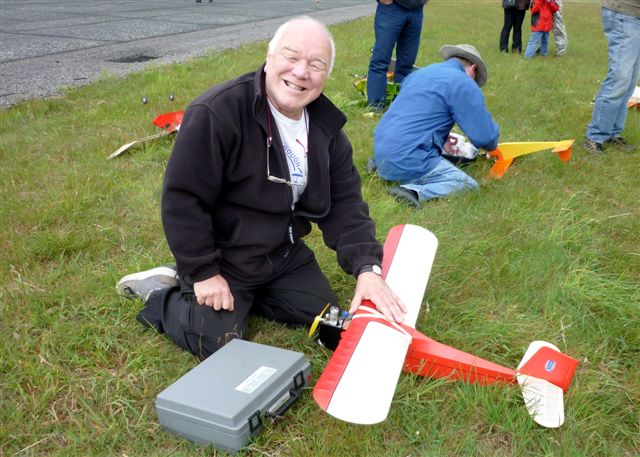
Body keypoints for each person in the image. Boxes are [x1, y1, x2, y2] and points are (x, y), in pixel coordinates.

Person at [116, 17, 406, 360]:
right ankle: (161, 290)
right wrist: (203, 271)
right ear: (269, 57)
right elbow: (183, 199)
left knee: (329, 320)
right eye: (291, 56)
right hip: (227, 257)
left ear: (325, 75)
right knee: (215, 340)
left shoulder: (327, 131)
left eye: (316, 64)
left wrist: (367, 268)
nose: (301, 72)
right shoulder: (216, 112)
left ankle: (254, 296)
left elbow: (345, 205)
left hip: (283, 254)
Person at [372, 44, 500, 207]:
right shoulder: (464, 82)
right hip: (407, 157)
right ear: (472, 69)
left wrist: (441, 138)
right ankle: (413, 191)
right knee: (468, 185)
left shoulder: (419, 74)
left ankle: (382, 166)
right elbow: (486, 138)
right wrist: (493, 145)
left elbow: (414, 114)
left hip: (381, 149)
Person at [584, 0, 639, 154]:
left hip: (633, 14)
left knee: (629, 81)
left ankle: (612, 133)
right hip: (624, 13)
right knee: (619, 78)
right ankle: (594, 136)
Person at [367, 0, 428, 111]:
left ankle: (401, 105)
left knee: (406, 64)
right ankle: (376, 106)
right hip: (392, 9)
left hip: (416, 11)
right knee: (380, 61)